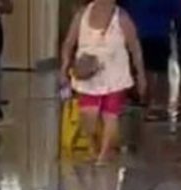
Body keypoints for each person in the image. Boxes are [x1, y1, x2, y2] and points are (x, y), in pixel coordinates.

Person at [61, 0, 147, 164]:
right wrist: (64, 68)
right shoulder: (82, 15)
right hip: (87, 76)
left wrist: (140, 74)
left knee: (110, 115)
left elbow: (135, 47)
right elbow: (68, 43)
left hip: (115, 75)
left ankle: (104, 153)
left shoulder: (121, 17)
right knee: (89, 115)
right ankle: (94, 146)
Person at [120, 0, 181, 119]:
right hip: (160, 34)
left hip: (141, 34)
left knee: (144, 69)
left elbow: (125, 11)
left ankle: (147, 102)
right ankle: (158, 104)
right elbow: (177, 13)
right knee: (160, 72)